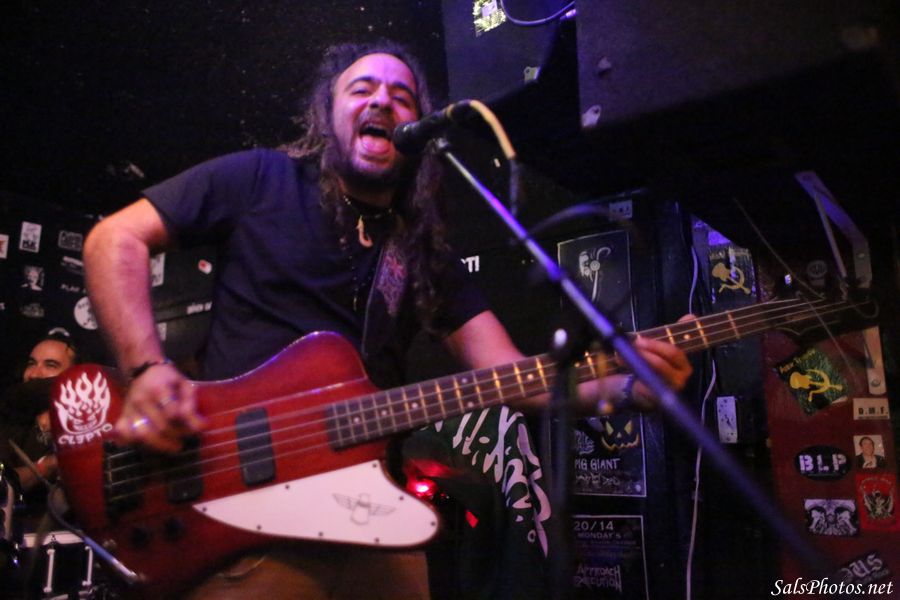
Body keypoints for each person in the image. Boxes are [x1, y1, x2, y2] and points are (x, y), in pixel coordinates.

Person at [82, 40, 693, 599]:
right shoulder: (260, 179)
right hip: (244, 521)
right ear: (327, 114)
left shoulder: (422, 247)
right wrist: (145, 369)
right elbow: (114, 240)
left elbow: (510, 374)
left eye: (402, 96)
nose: (382, 101)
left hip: (372, 521)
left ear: (418, 131)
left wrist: (620, 389)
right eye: (362, 88)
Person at [0, 330, 78, 507]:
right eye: (31, 363)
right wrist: (48, 465)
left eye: (50, 365)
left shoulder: (85, 427)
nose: (34, 374)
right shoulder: (7, 420)